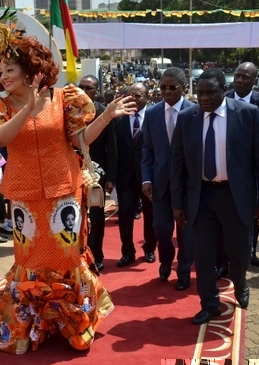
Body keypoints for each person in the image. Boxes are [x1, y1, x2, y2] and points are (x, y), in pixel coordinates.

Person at [0, 23, 133, 353]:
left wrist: (105, 117)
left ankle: (72, 325)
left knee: (66, 255)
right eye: (1, 70)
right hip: (25, 196)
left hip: (65, 191)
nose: (4, 76)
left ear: (32, 70)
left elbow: (80, 143)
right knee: (30, 257)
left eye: (11, 70)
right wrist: (29, 110)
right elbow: (1, 138)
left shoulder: (65, 99)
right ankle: (32, 326)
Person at [170, 69, 259, 325]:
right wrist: (177, 204)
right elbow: (177, 164)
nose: (203, 98)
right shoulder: (187, 118)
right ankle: (210, 304)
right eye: (200, 93)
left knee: (238, 251)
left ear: (224, 91)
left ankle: (240, 283)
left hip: (235, 195)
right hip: (201, 196)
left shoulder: (247, 114)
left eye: (210, 93)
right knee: (203, 255)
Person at [141, 67, 195, 290]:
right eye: (163, 87)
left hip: (187, 185)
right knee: (162, 228)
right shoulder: (152, 113)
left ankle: (183, 271)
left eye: (172, 87)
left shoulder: (195, 111)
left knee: (186, 232)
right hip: (160, 184)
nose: (167, 91)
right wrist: (146, 179)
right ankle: (165, 262)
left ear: (182, 88)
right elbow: (147, 149)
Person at [224, 62, 259, 267]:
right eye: (237, 76)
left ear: (255, 80)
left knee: (251, 212)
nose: (239, 80)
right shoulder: (223, 100)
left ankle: (251, 250)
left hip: (253, 170)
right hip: (226, 168)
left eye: (245, 77)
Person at [114, 82, 157, 267]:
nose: (134, 99)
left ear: (147, 96)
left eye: (138, 95)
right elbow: (114, 149)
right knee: (125, 215)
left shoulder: (155, 116)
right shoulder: (119, 118)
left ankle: (149, 249)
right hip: (125, 176)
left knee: (151, 214)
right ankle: (127, 252)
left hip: (149, 176)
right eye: (130, 95)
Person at [78, 75, 117, 272]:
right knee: (76, 216)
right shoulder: (69, 112)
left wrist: (110, 176)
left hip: (97, 174)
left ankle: (97, 254)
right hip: (73, 172)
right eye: (81, 87)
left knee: (96, 216)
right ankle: (79, 254)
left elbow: (112, 147)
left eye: (89, 88)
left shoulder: (104, 113)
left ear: (96, 90)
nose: (85, 91)